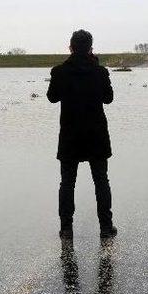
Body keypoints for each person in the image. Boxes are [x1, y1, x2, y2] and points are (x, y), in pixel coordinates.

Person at [47, 30, 117, 240]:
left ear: (70, 47)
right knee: (101, 181)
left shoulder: (59, 71)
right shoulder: (100, 72)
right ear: (90, 49)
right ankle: (106, 227)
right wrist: (95, 65)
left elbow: (52, 97)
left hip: (70, 136)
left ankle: (66, 229)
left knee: (67, 183)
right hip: (96, 135)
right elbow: (108, 98)